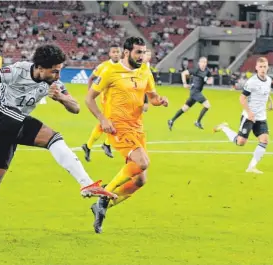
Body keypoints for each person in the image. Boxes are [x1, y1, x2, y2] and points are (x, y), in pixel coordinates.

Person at [0, 44, 116, 261]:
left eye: (59, 70)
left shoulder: (53, 82)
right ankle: (86, 183)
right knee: (53, 137)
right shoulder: (19, 70)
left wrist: (62, 98)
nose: (58, 74)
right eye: (54, 70)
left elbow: (76, 108)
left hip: (7, 129)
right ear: (39, 67)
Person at [85, 37, 169, 234]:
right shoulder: (110, 71)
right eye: (138, 52)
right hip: (118, 126)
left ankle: (102, 206)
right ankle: (104, 195)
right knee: (143, 162)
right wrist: (102, 119)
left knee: (140, 181)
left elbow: (152, 97)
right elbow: (89, 98)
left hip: (137, 127)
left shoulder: (145, 70)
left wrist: (160, 100)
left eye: (143, 52)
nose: (141, 56)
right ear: (126, 52)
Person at [213, 57, 273, 173]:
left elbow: (266, 91)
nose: (262, 69)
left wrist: (271, 101)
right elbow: (242, 98)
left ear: (267, 67)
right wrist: (249, 112)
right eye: (260, 67)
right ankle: (224, 128)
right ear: (256, 68)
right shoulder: (251, 82)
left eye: (265, 67)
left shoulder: (269, 80)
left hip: (261, 116)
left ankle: (251, 167)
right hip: (248, 116)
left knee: (264, 140)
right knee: (241, 142)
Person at [81, 44, 122, 161]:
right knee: (108, 122)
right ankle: (98, 145)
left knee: (115, 122)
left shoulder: (123, 66)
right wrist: (90, 94)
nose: (116, 54)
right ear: (109, 54)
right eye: (113, 52)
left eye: (117, 52)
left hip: (119, 100)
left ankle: (94, 145)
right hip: (107, 99)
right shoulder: (104, 66)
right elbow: (91, 78)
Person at [168, 57, 213, 130]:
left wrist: (209, 81)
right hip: (195, 91)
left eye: (205, 62)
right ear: (199, 63)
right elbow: (183, 73)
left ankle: (171, 120)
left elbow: (210, 78)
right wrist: (184, 84)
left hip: (197, 92)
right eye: (202, 62)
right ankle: (197, 122)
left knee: (185, 108)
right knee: (207, 105)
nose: (204, 64)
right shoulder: (195, 70)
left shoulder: (207, 71)